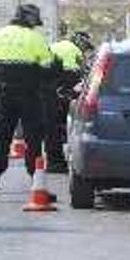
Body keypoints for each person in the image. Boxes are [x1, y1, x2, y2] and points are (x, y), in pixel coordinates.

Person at [0, 3, 54, 201]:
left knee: (1, 140)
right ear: (31, 20)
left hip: (4, 97)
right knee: (33, 141)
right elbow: (48, 68)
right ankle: (37, 185)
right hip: (30, 97)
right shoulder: (36, 38)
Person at [42, 32, 88, 173]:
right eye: (85, 47)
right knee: (56, 125)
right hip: (58, 85)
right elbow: (76, 73)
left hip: (45, 86)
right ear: (80, 43)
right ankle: (57, 161)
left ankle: (51, 160)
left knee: (49, 126)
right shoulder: (74, 50)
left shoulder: (57, 45)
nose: (85, 50)